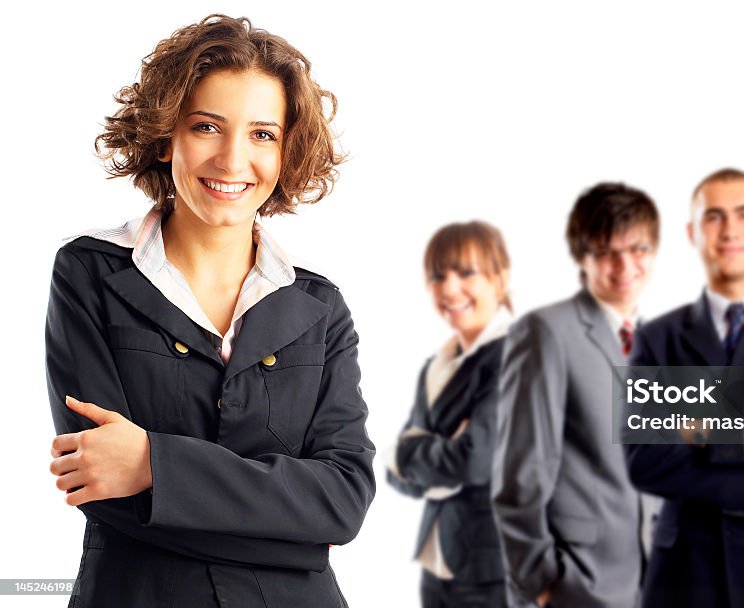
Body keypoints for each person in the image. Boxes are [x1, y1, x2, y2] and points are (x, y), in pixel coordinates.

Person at [44, 15, 374, 607]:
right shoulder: (90, 274)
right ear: (167, 134)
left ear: (286, 151)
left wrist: (155, 464)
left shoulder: (319, 307)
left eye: (262, 134)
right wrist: (298, 540)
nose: (231, 158)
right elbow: (100, 483)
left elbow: (344, 500)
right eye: (206, 127)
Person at [624, 169, 744, 607]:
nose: (730, 231)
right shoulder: (658, 339)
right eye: (714, 217)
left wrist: (699, 430)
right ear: (692, 232)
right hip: (685, 575)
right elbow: (644, 461)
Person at [492, 182, 657, 607]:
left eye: (638, 248)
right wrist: (543, 582)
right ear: (582, 257)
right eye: (606, 252)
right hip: (576, 584)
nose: (625, 265)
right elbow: (521, 472)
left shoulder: (657, 343)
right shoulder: (548, 332)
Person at [387, 221, 513, 607]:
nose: (449, 288)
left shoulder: (515, 357)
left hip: (493, 570)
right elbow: (396, 471)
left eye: (466, 272)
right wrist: (418, 456)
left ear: (500, 279)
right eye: (438, 275)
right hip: (437, 563)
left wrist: (414, 453)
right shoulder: (437, 365)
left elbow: (475, 460)